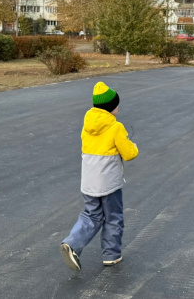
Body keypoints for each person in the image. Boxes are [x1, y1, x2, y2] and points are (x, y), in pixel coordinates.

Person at [60, 82, 138, 271]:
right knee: (113, 217)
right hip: (109, 184)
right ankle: (112, 255)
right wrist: (132, 144)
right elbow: (129, 154)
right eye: (116, 105)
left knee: (91, 215)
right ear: (111, 108)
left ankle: (72, 243)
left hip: (89, 182)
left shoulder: (87, 127)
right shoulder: (116, 127)